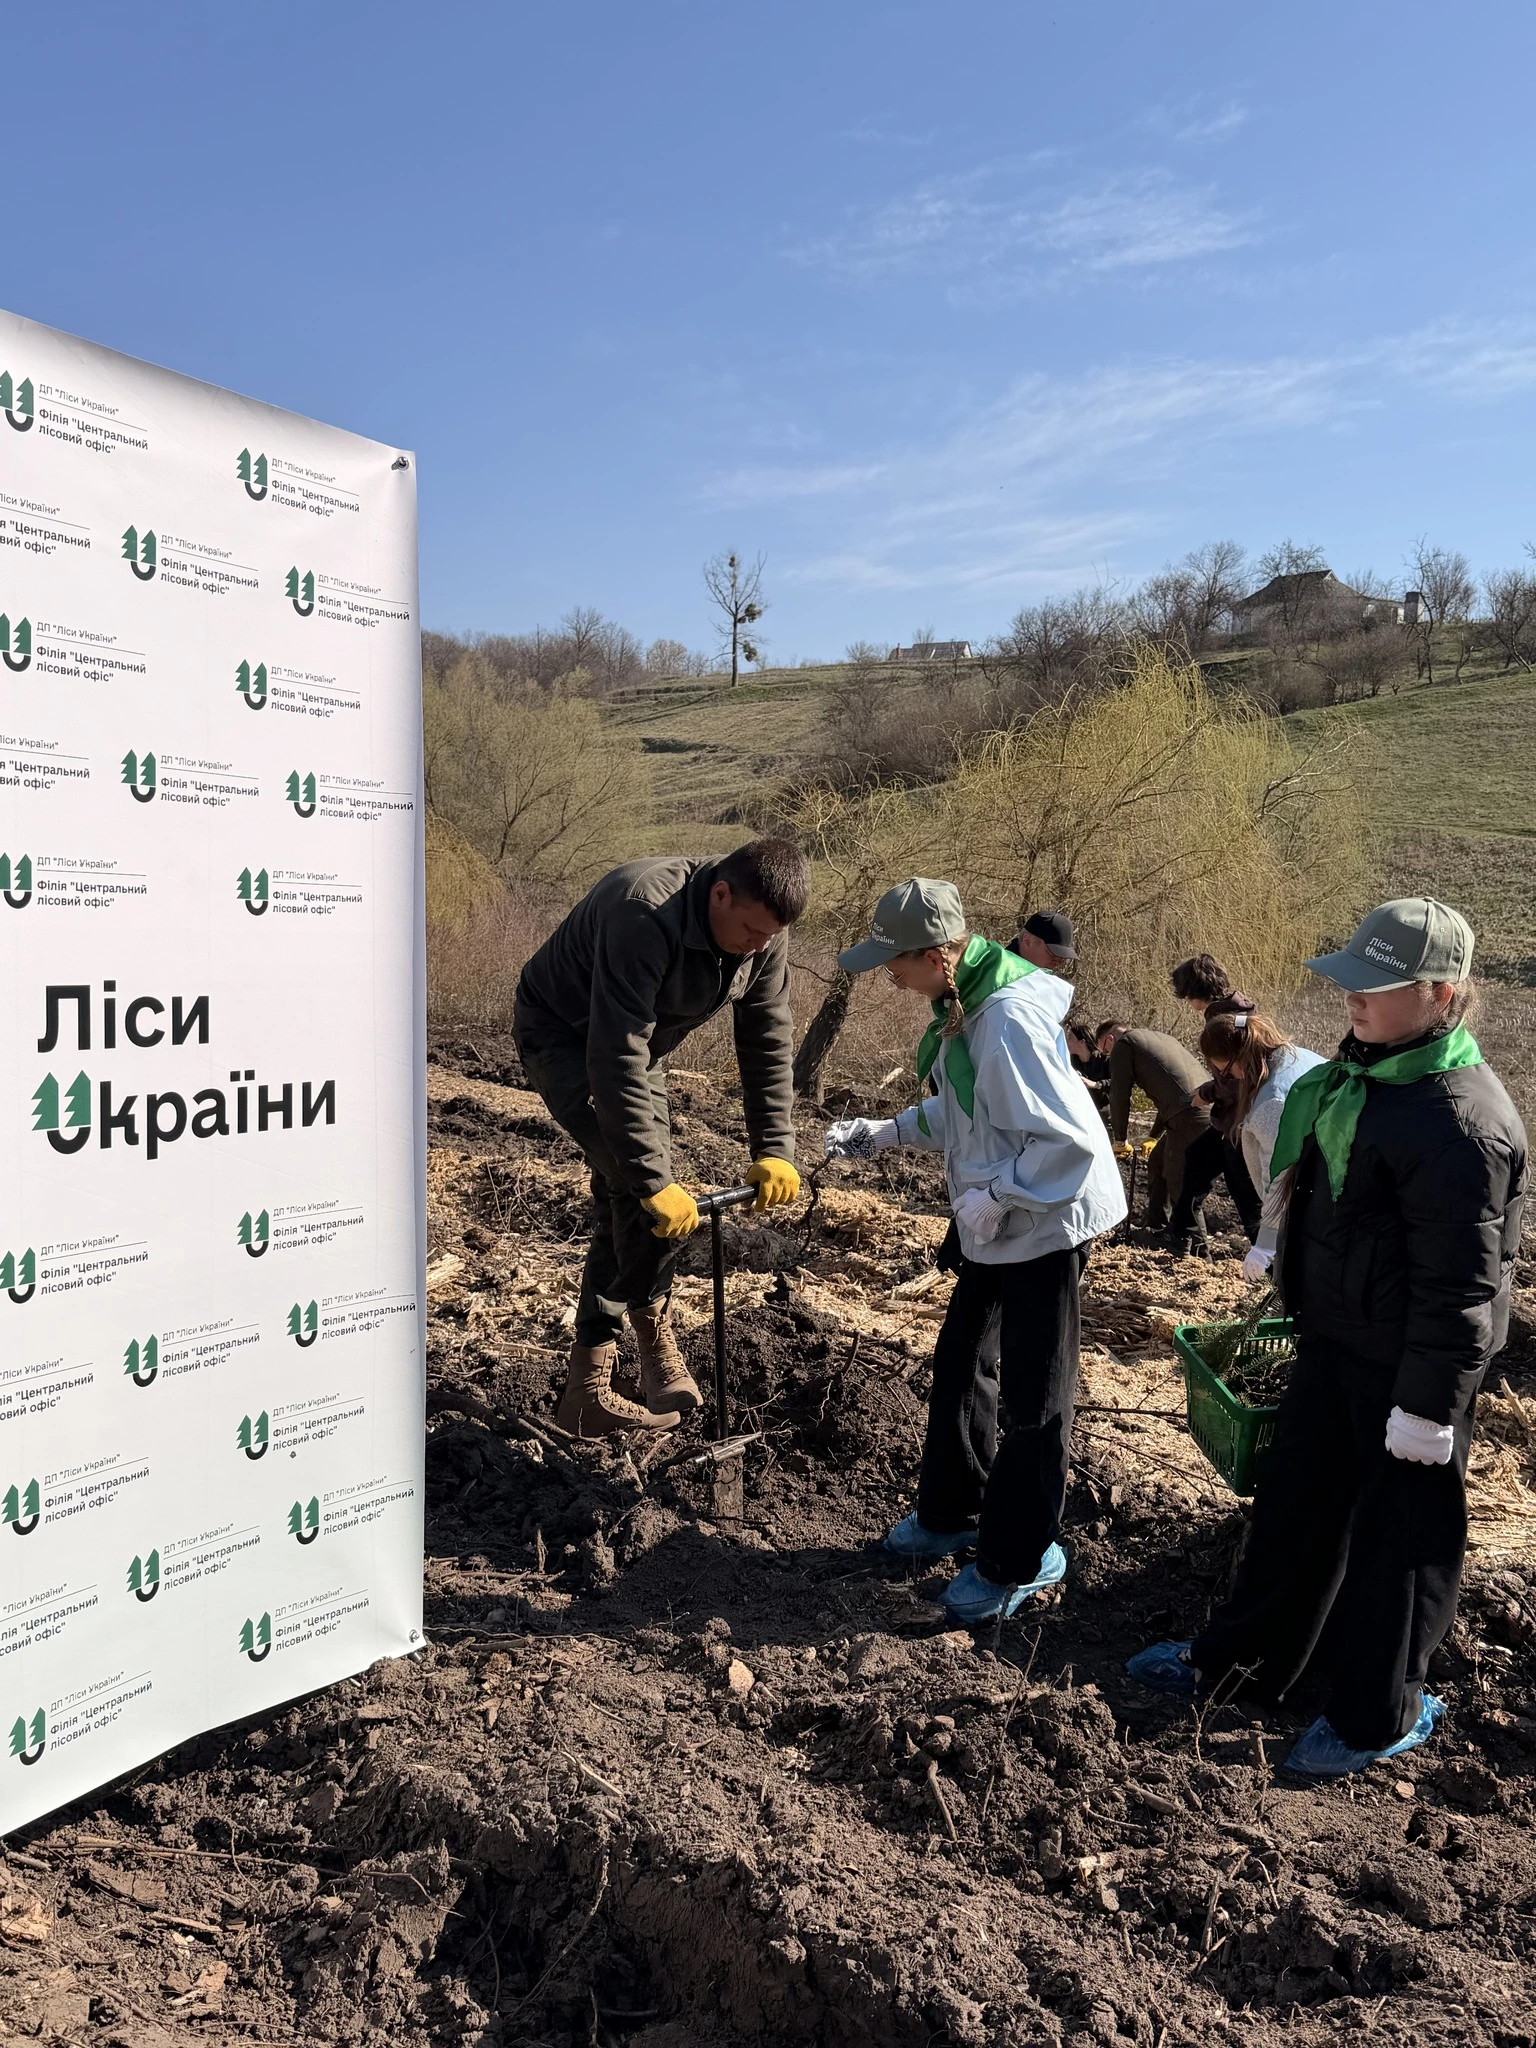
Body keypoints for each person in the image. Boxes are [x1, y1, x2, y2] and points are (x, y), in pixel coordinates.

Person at [1129, 898, 1527, 1778]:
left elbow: (1464, 1286)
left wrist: (1427, 1408)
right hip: (1335, 1341)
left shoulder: (1461, 1121)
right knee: (1296, 1511)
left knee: (1401, 1540)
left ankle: (1375, 1715)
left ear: (1440, 993)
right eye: (1351, 979)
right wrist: (1280, 1256)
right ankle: (1243, 1665)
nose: (1352, 1000)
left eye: (1375, 987)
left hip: (1410, 1368)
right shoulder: (1364, 1079)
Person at [823, 879, 1125, 1624]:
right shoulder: (964, 1005)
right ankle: (954, 1513)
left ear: (935, 954)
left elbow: (1070, 1149)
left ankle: (1020, 1557)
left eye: (894, 961)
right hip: (1000, 1221)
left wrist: (998, 1199)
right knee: (962, 1360)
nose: (888, 975)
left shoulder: (1008, 1021)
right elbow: (971, 1111)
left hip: (1046, 1224)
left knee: (1034, 1396)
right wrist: (888, 1131)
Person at [513, 839, 810, 1436]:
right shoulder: (642, 909)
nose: (758, 945)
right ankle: (589, 1387)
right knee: (636, 1187)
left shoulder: (763, 935)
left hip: (637, 1048)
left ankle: (643, 1335)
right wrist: (651, 1179)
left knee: (639, 1191)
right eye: (750, 931)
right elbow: (613, 1051)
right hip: (569, 1036)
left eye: (768, 938)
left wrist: (774, 1148)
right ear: (720, 894)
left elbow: (767, 1039)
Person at [1194, 1011, 1325, 1282]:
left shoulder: (1271, 1103)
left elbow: (1279, 1176)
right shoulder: (1295, 1056)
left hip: (1314, 1212)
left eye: (1225, 1070)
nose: (1226, 1077)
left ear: (1238, 1057)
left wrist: (1266, 1243)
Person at [1170, 954, 1263, 1239]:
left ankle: (1272, 1263)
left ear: (1195, 991)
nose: (1188, 1004)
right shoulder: (1237, 1012)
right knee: (1197, 1158)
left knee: (1246, 1195)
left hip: (1238, 1120)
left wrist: (1207, 1093)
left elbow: (1237, 1078)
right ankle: (1180, 1234)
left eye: (1187, 996)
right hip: (1232, 1116)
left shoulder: (1224, 1022)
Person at [1099, 1022, 1212, 1252]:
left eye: (1105, 1050)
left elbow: (1119, 1094)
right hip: (1204, 1110)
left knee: (1180, 1181)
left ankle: (1199, 1253)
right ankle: (1158, 1231)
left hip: (1190, 1116)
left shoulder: (1125, 1045)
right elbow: (1173, 1094)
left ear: (1110, 1039)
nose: (1108, 1055)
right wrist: (1153, 1136)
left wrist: (1120, 1139)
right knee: (1158, 1162)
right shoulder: (1160, 1038)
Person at [1011, 909, 1076, 973]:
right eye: (1052, 953)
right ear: (1027, 941)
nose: (1057, 963)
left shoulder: (1045, 977)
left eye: (1062, 958)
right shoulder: (1003, 973)